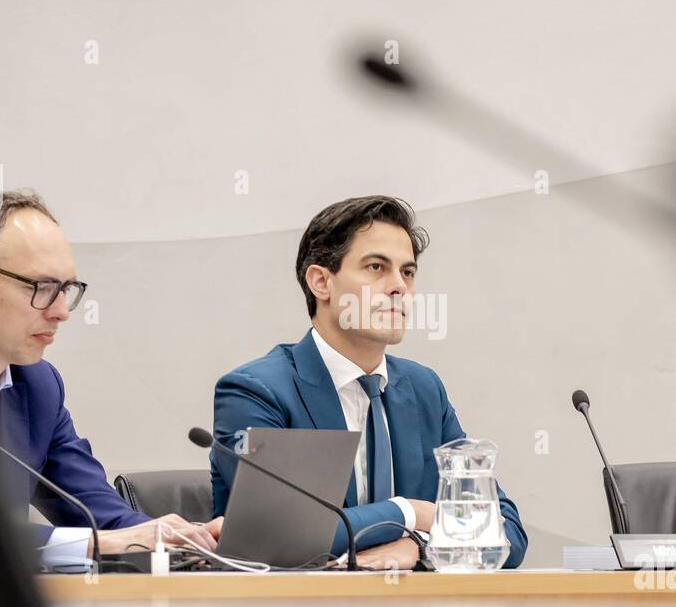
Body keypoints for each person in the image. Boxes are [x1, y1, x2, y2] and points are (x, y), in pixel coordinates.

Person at [211, 195, 527, 569]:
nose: (399, 287)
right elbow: (281, 534)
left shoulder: (424, 390)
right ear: (321, 282)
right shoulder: (257, 391)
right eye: (376, 267)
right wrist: (410, 513)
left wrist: (420, 547)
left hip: (410, 606)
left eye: (407, 273)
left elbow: (505, 532)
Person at [0, 190, 219, 565]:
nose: (62, 311)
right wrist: (96, 545)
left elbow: (101, 516)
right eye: (41, 287)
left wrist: (175, 538)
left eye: (66, 289)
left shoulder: (38, 386)